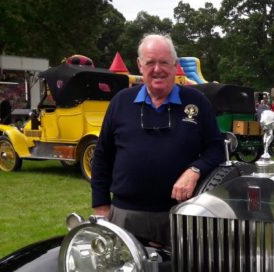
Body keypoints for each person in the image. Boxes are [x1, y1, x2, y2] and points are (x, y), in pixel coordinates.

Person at [91, 34, 224, 246]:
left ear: (175, 65)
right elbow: (102, 156)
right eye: (150, 62)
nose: (157, 69)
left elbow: (216, 149)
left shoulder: (197, 102)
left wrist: (195, 170)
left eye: (164, 62)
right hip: (126, 216)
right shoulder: (120, 102)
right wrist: (101, 207)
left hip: (182, 216)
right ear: (140, 65)